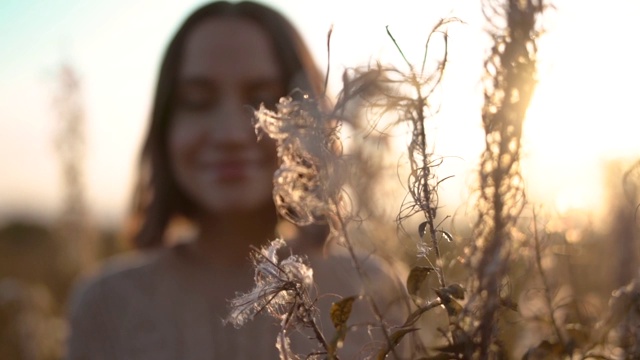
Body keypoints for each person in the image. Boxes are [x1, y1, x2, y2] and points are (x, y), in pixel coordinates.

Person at [67, 2, 405, 359]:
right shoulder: (107, 306)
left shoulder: (374, 292)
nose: (230, 133)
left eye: (262, 99)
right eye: (197, 101)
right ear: (166, 125)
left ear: (309, 120)